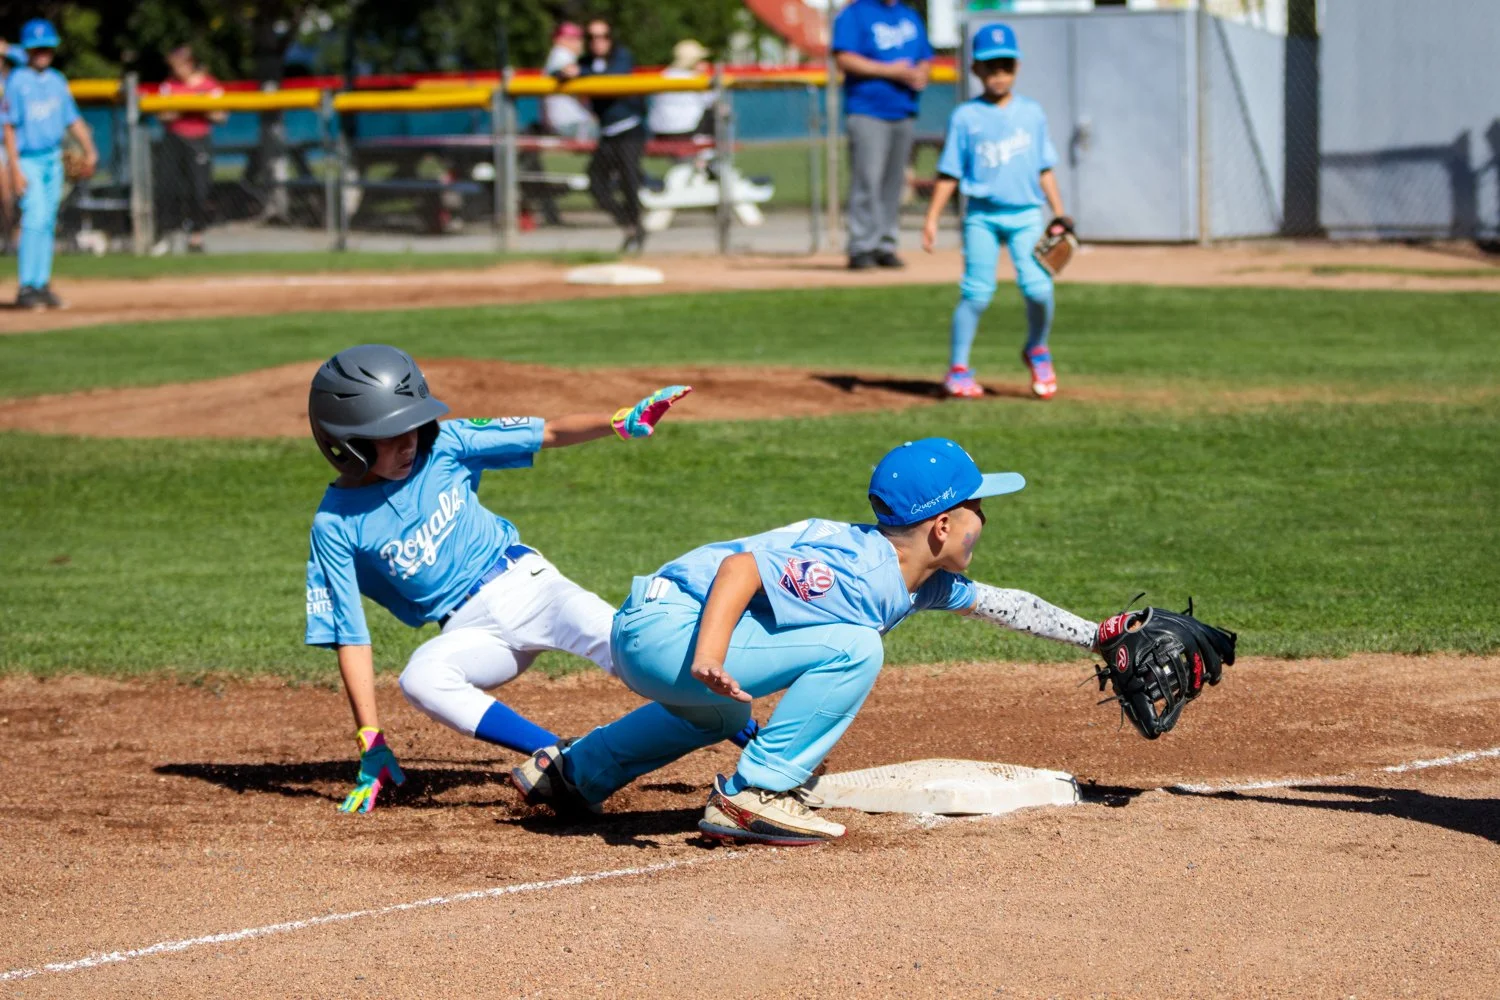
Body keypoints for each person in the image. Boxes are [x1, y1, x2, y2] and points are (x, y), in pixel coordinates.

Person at [510, 439, 1107, 844]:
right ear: (943, 525)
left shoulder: (912, 577)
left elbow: (1002, 604)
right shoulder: (861, 570)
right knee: (855, 647)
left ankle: (572, 772)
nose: (986, 517)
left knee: (721, 714)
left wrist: (1100, 636)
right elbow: (740, 569)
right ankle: (756, 793)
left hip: (656, 633)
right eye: (978, 505)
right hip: (668, 634)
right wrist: (711, 655)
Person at [304, 345, 705, 814]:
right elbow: (350, 635)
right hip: (471, 630)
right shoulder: (334, 525)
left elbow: (549, 431)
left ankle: (757, 740)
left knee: (641, 651)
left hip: (532, 588)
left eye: (412, 424)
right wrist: (370, 739)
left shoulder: (446, 445)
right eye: (389, 433)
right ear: (344, 442)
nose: (408, 441)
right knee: (421, 678)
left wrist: (618, 421)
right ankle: (567, 758)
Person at [921, 24, 1070, 401]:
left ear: (1016, 67)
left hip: (1025, 214)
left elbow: (1044, 167)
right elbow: (949, 172)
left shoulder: (1031, 113)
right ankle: (958, 369)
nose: (998, 75)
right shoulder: (966, 117)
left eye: (1005, 66)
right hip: (982, 216)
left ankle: (1037, 348)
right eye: (990, 67)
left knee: (1039, 288)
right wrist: (932, 218)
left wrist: (1060, 212)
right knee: (977, 294)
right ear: (975, 71)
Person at [2, 19, 97, 310]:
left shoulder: (57, 80)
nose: (42, 53)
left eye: (46, 48)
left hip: (53, 158)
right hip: (28, 159)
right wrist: (15, 170)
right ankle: (26, 286)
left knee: (47, 221)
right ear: (28, 50)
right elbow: (8, 128)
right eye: (36, 49)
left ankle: (41, 283)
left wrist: (90, 151)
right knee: (33, 218)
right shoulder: (17, 81)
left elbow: (72, 118)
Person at [832, 0, 932, 271]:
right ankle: (861, 246)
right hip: (867, 110)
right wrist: (890, 70)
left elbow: (924, 57)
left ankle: (885, 245)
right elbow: (843, 58)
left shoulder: (908, 15)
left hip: (903, 109)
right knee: (867, 180)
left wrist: (921, 73)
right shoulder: (855, 13)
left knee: (894, 182)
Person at [554, 17, 648, 254]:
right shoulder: (585, 61)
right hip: (607, 133)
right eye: (592, 37)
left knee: (629, 180)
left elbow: (613, 75)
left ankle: (636, 229)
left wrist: (579, 73)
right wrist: (566, 72)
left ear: (610, 38)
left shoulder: (621, 56)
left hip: (629, 129)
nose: (598, 42)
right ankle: (628, 225)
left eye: (603, 36)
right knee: (596, 182)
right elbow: (557, 73)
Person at [155, 45, 226, 254]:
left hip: (199, 140)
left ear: (190, 64)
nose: (176, 69)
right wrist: (185, 107)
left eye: (180, 64)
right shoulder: (169, 85)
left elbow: (221, 115)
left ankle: (196, 236)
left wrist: (196, 106)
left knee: (199, 190)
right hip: (174, 140)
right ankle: (165, 236)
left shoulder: (209, 84)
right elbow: (162, 114)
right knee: (167, 188)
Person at [647, 39, 716, 141]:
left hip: (659, 132)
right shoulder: (696, 78)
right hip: (687, 132)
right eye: (700, 60)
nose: (704, 63)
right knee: (717, 110)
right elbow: (712, 100)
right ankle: (706, 152)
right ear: (693, 61)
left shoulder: (664, 75)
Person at [541, 23, 593, 139]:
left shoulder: (558, 55)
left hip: (563, 122)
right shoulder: (561, 54)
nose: (579, 42)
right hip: (570, 123)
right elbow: (564, 71)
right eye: (574, 38)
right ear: (561, 39)